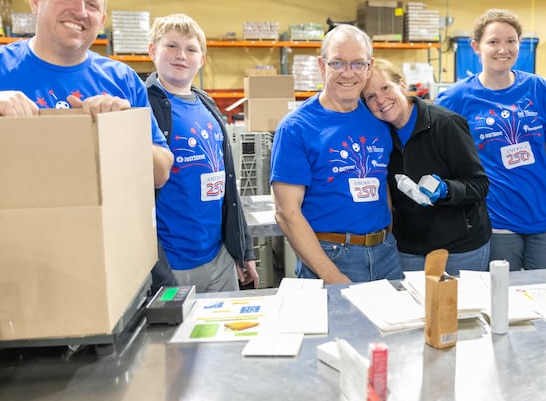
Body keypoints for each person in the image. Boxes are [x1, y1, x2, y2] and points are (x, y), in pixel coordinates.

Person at [0, 0, 176, 291]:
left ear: (101, 19)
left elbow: (162, 171)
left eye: (92, 4)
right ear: (36, 0)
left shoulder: (121, 80)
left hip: (107, 266)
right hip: (6, 270)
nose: (80, 11)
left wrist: (122, 131)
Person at [436, 9, 546, 271]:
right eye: (493, 42)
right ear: (476, 47)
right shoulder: (455, 98)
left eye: (511, 41)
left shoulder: (539, 88)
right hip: (494, 222)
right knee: (499, 302)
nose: (503, 49)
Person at [270, 24, 401, 284]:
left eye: (357, 64)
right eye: (338, 63)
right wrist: (331, 274)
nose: (348, 73)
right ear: (322, 66)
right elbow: (287, 213)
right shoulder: (296, 128)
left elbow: (381, 183)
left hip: (386, 253)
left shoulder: (379, 119)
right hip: (330, 257)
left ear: (369, 66)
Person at [146, 14, 259, 292]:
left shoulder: (207, 105)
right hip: (171, 263)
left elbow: (229, 188)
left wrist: (242, 250)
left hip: (219, 258)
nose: (181, 55)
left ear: (202, 58)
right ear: (152, 51)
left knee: (228, 334)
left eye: (191, 49)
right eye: (171, 46)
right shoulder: (144, 105)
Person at [362, 58, 491, 275]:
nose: (381, 100)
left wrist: (447, 190)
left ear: (401, 84)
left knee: (463, 308)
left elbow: (479, 184)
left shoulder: (446, 125)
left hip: (460, 247)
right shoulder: (379, 138)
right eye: (370, 97)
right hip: (410, 249)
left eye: (385, 88)